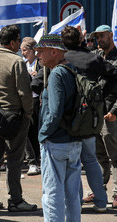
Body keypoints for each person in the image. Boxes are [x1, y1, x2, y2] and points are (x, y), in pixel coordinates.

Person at [0, 25, 37, 213]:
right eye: (18, 41)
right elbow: (24, 93)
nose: (19, 44)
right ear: (12, 42)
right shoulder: (17, 62)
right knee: (14, 159)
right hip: (15, 116)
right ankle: (15, 200)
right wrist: (28, 114)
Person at [62, 25, 117, 212]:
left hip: (65, 117)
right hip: (88, 116)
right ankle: (101, 202)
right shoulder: (91, 58)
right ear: (80, 39)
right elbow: (115, 75)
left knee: (72, 163)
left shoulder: (61, 58)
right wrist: (101, 97)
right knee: (90, 160)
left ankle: (75, 202)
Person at [36, 34, 82, 222]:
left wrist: (42, 134)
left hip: (56, 142)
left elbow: (54, 113)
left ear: (54, 51)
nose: (38, 55)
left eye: (41, 51)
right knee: (72, 194)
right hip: (74, 140)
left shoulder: (56, 74)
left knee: (52, 194)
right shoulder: (72, 69)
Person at [91, 24, 117, 209]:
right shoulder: (97, 57)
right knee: (99, 155)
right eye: (97, 37)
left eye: (102, 36)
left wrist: (115, 111)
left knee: (115, 155)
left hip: (110, 113)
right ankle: (99, 190)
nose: (99, 40)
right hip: (95, 113)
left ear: (110, 35)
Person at [21, 37, 41, 176]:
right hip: (26, 100)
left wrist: (36, 75)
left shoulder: (39, 64)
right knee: (27, 131)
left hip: (37, 100)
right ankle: (32, 159)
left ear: (33, 50)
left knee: (35, 131)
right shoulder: (22, 64)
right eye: (21, 50)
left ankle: (37, 159)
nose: (23, 53)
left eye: (25, 50)